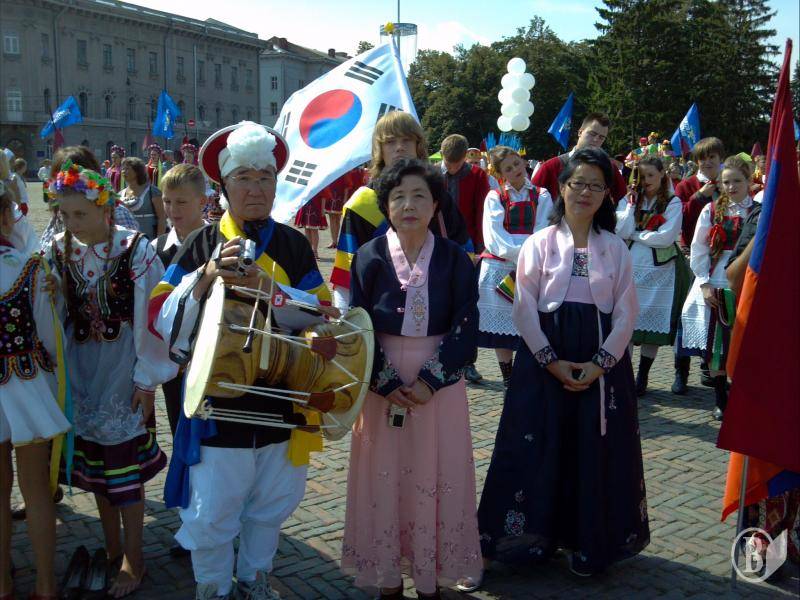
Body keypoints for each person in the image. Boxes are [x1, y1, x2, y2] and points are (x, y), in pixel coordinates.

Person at [150, 121, 332, 600]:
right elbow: (158, 312)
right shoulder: (202, 243)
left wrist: (271, 290)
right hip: (218, 404)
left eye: (265, 178)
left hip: (282, 400)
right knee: (212, 508)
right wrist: (207, 275)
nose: (256, 188)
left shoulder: (293, 244)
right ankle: (211, 587)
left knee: (270, 503)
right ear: (224, 186)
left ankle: (255, 578)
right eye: (244, 178)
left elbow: (325, 312)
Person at [476, 148, 648, 579]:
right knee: (535, 445)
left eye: (595, 185)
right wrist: (550, 361)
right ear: (562, 187)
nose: (585, 192)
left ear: (606, 194)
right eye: (578, 183)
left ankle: (587, 542)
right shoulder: (539, 243)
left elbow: (626, 312)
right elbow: (524, 309)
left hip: (600, 362)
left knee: (592, 449)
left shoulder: (616, 248)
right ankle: (526, 539)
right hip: (543, 360)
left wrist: (600, 364)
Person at [342, 158, 482, 598]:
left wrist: (430, 380)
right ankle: (387, 577)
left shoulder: (456, 259)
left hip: (439, 387)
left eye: (420, 195)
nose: (408, 205)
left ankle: (431, 577)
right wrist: (383, 380)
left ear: (435, 204)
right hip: (381, 385)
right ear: (386, 205)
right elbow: (357, 325)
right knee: (384, 476)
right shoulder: (368, 257)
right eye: (398, 196)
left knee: (437, 472)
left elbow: (466, 322)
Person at [47, 159, 175, 597]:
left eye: (80, 214)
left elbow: (152, 320)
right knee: (100, 475)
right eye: (65, 214)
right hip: (82, 375)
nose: (72, 223)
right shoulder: (59, 250)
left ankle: (134, 558)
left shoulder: (135, 250)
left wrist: (146, 382)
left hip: (122, 376)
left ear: (105, 209)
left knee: (124, 476)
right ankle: (113, 547)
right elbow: (56, 317)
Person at [0, 183, 70, 600]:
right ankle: (46, 585)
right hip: (26, 385)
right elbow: (50, 336)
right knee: (36, 490)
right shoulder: (33, 268)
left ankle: (3, 583)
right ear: (7, 216)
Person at [330, 111, 472, 313]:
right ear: (379, 149)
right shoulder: (361, 204)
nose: (399, 147)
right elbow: (346, 276)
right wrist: (346, 323)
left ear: (418, 145)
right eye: (390, 141)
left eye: (406, 140)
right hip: (381, 317)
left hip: (439, 313)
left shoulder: (438, 197)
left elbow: (464, 254)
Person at [679, 155, 754, 421]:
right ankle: (721, 399)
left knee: (744, 340)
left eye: (737, 181)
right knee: (716, 343)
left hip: (746, 279)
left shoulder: (757, 212)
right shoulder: (711, 211)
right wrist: (704, 283)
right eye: (726, 182)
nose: (731, 187)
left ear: (749, 181)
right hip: (716, 279)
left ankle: (744, 396)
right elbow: (698, 248)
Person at [477, 146, 553, 388]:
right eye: (508, 168)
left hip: (533, 266)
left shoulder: (542, 194)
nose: (515, 170)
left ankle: (528, 374)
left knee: (531, 321)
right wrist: (522, 253)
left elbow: (543, 230)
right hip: (500, 266)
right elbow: (494, 236)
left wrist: (528, 255)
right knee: (501, 327)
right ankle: (508, 376)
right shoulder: (494, 196)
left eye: (517, 163)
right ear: (500, 174)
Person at [615, 157, 690, 395]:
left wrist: (636, 235)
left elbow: (666, 238)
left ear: (661, 175)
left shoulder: (672, 201)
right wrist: (630, 206)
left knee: (651, 328)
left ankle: (643, 376)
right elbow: (620, 230)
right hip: (630, 268)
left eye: (650, 175)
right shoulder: (628, 200)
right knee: (626, 323)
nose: (645, 180)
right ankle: (625, 374)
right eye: (641, 176)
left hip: (660, 271)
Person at [150, 163, 208, 434]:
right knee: (178, 428)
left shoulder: (218, 242)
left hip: (211, 356)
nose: (173, 210)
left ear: (202, 202)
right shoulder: (157, 248)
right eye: (167, 201)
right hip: (173, 363)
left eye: (182, 202)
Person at [39, 147, 140, 253]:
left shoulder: (119, 214)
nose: (65, 185)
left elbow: (132, 251)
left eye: (71, 179)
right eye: (59, 180)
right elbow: (44, 250)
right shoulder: (60, 216)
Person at [534, 112, 627, 205]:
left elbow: (623, 200)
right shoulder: (551, 167)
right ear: (580, 132)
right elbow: (531, 199)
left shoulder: (609, 169)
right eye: (592, 134)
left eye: (601, 137)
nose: (596, 140)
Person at [440, 134, 490, 253]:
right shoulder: (432, 174)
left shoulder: (478, 175)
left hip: (468, 240)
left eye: (457, 165)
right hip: (439, 239)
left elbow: (482, 211)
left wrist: (481, 243)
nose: (452, 169)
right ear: (442, 154)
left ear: (465, 156)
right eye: (448, 164)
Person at [120, 156, 167, 240]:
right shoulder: (120, 194)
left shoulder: (152, 191)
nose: (123, 171)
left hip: (149, 240)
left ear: (137, 171)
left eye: (127, 169)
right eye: (123, 169)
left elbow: (162, 218)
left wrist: (159, 241)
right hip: (127, 241)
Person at [323, 169, 359, 249]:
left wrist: (345, 199)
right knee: (332, 218)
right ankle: (334, 240)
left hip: (340, 196)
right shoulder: (330, 171)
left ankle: (336, 240)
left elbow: (347, 185)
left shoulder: (343, 170)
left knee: (337, 219)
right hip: (330, 195)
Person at [293, 189, 328, 258]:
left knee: (314, 230)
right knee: (307, 229)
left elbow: (324, 195)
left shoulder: (318, 183)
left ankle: (315, 251)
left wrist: (323, 209)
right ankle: (308, 250)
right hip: (305, 207)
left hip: (316, 208)